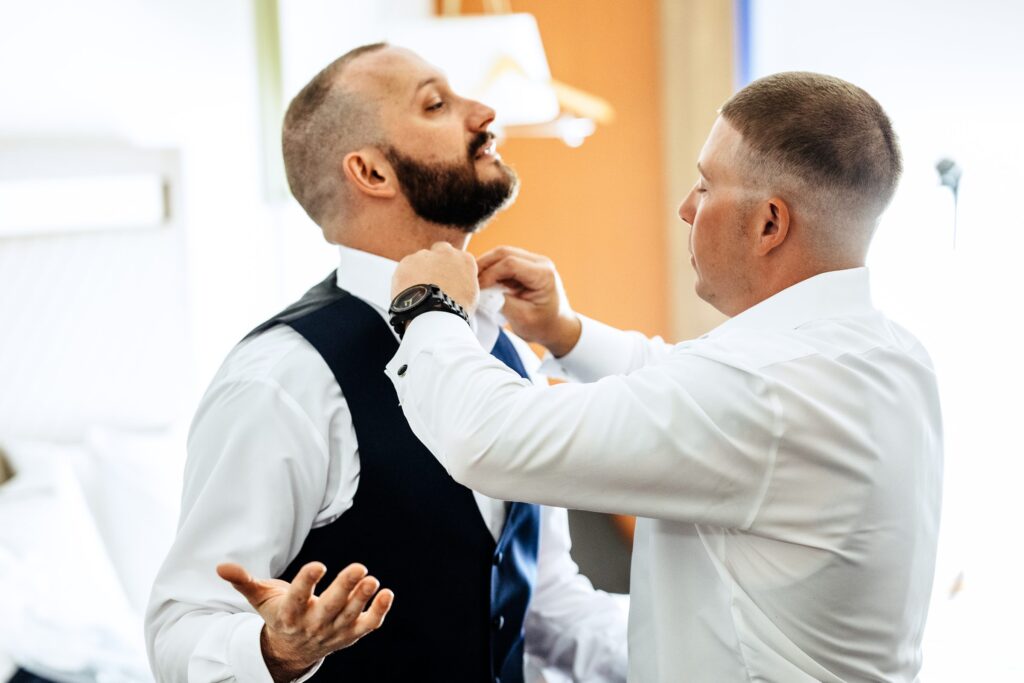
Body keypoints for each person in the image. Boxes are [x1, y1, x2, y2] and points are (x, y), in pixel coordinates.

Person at [384, 72, 943, 682]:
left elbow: (488, 437)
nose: (685, 207)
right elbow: (685, 387)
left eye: (706, 186)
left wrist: (429, 307)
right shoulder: (887, 353)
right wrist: (564, 330)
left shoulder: (763, 390)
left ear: (769, 224)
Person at [145, 43, 627, 683]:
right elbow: (179, 628)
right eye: (437, 103)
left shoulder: (504, 348)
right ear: (372, 173)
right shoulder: (284, 378)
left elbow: (542, 605)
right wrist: (279, 650)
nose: (485, 111)